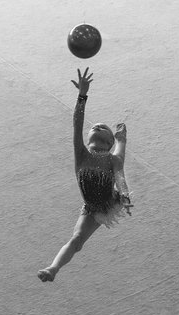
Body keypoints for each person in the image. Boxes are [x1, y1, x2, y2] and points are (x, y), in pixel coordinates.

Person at [38, 68, 133, 282]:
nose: (97, 125)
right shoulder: (80, 154)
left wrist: (125, 196)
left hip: (108, 202)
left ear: (109, 143)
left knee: (121, 153)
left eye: (103, 128)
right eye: (94, 127)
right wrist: (82, 95)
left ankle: (120, 138)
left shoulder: (112, 159)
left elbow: (120, 175)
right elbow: (77, 123)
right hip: (90, 207)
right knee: (77, 239)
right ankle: (53, 268)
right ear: (88, 138)